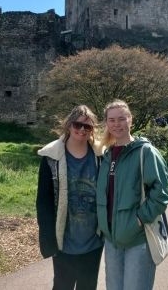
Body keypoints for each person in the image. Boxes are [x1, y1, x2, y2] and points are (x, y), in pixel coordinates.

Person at [96, 100, 168, 290]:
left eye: (122, 118)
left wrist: (139, 219)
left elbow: (161, 194)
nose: (116, 124)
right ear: (106, 123)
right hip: (112, 241)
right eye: (111, 120)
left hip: (138, 239)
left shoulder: (145, 152)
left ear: (130, 120)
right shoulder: (106, 156)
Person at [36, 105, 104, 290]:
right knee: (62, 286)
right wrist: (48, 240)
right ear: (68, 125)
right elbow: (44, 202)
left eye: (87, 127)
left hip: (93, 240)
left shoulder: (100, 156)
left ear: (92, 130)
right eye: (77, 125)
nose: (82, 130)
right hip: (63, 242)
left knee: (88, 286)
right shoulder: (51, 157)